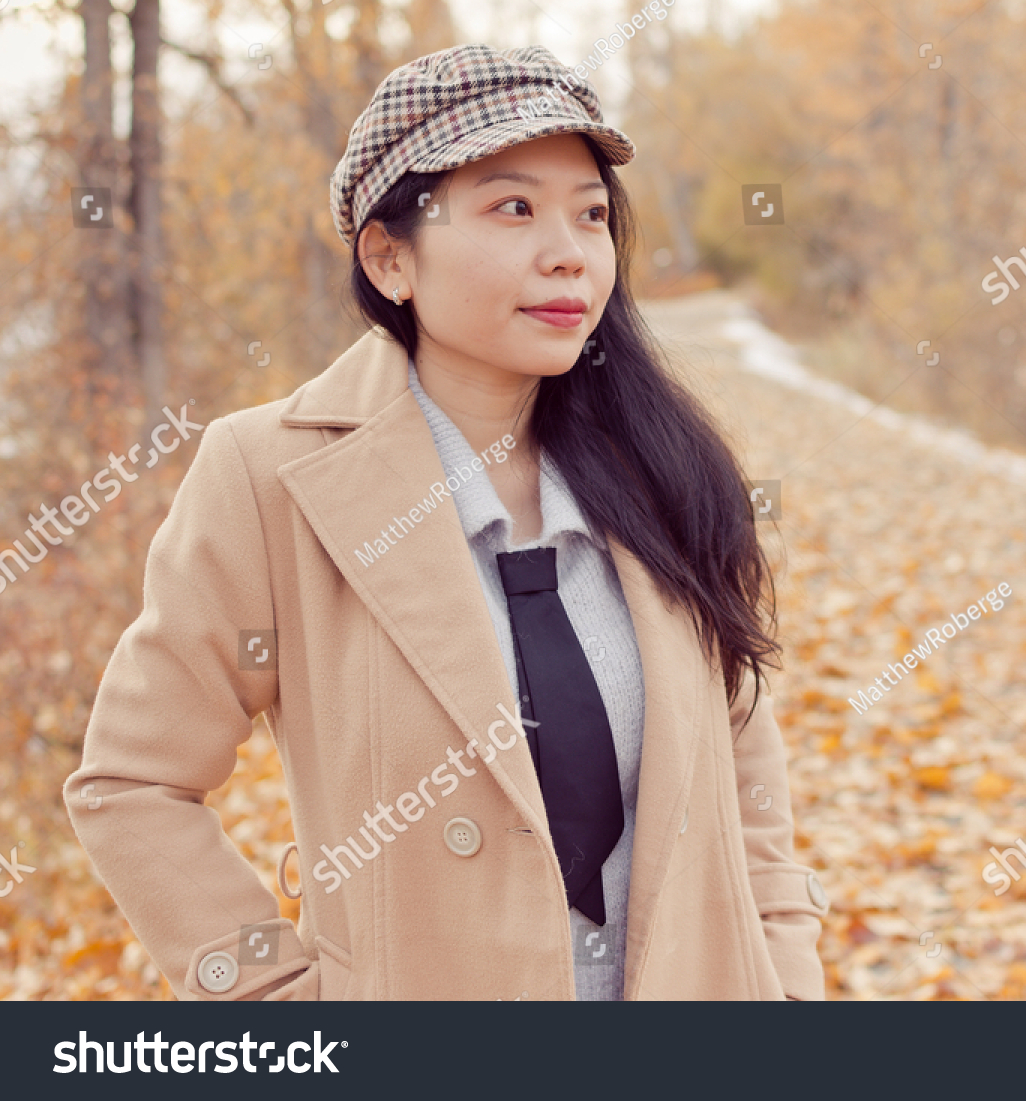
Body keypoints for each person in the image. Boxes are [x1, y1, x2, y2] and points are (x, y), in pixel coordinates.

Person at [63, 43, 829, 1001]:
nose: (570, 251)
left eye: (591, 214)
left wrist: (787, 976)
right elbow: (133, 783)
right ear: (391, 257)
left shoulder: (663, 467)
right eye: (513, 207)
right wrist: (277, 1008)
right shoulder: (270, 477)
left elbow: (736, 743)